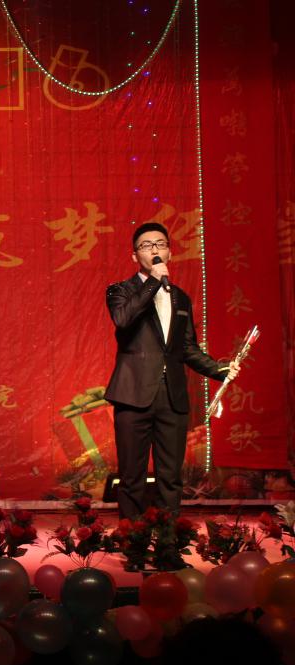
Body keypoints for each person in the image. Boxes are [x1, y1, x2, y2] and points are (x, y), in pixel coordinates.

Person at [105, 223, 239, 536]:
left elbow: (187, 348)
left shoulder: (180, 298)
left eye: (160, 244)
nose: (154, 249)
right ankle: (134, 543)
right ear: (134, 255)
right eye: (146, 245)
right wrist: (153, 280)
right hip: (133, 396)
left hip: (172, 397)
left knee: (170, 477)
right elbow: (123, 320)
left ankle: (167, 543)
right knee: (132, 477)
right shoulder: (120, 291)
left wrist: (219, 369)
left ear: (170, 252)